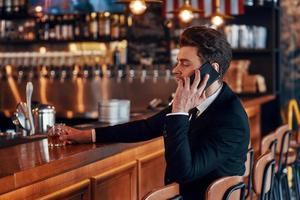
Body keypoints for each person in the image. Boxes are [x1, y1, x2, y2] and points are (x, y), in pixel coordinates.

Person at [58, 26, 250, 200]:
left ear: (212, 70)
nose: (175, 70)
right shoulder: (197, 100)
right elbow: (147, 127)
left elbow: (183, 172)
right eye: (177, 62)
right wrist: (86, 135)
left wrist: (180, 111)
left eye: (185, 63)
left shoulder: (230, 118)